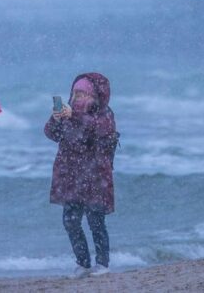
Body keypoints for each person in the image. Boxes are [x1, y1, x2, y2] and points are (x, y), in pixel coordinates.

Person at [44, 72, 119, 278]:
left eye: (82, 94)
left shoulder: (104, 114)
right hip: (70, 176)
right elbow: (51, 134)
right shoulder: (68, 114)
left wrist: (74, 116)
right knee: (70, 221)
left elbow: (97, 131)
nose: (77, 98)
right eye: (75, 93)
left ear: (94, 96)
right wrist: (56, 118)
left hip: (95, 177)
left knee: (96, 221)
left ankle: (103, 264)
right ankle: (83, 263)